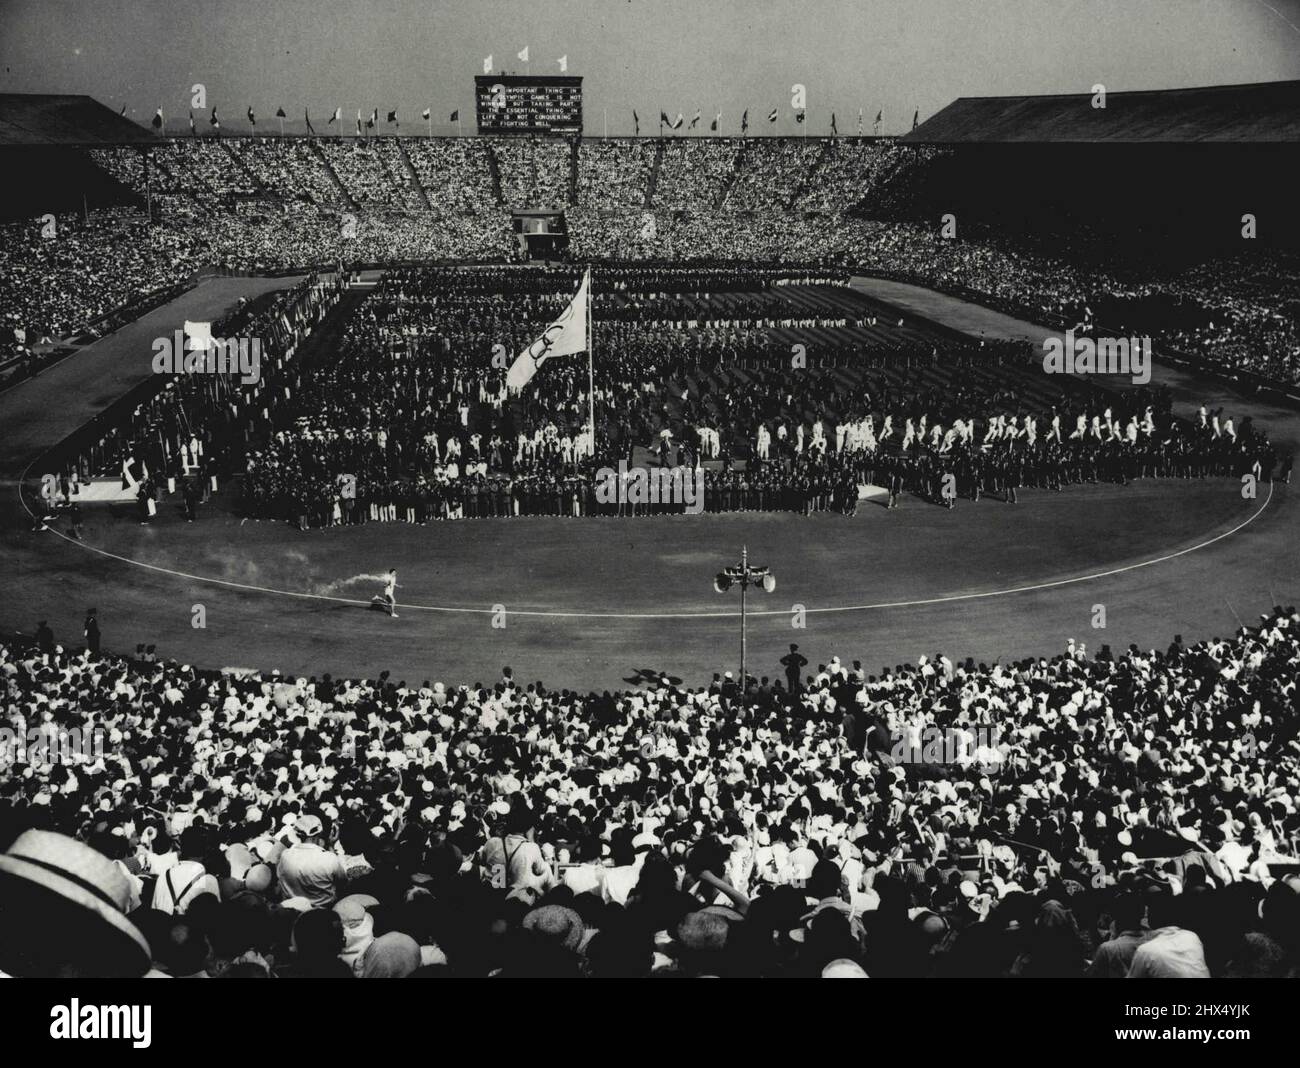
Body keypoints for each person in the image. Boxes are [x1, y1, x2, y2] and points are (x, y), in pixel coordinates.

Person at [276, 814, 349, 908]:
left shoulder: (285, 855)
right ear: (320, 833)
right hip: (324, 910)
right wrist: (331, 846)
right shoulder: (329, 858)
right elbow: (343, 882)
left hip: (293, 910)